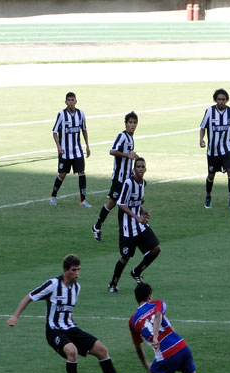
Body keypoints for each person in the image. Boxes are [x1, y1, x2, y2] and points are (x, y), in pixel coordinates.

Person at [7, 254, 138, 373]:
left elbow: (67, 310)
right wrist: (15, 316)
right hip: (54, 331)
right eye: (74, 270)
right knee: (72, 351)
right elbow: (29, 297)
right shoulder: (53, 284)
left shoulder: (77, 287)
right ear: (65, 270)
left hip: (71, 328)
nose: (77, 274)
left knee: (102, 350)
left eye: (79, 270)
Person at [129, 283, 214, 373]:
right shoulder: (158, 303)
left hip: (166, 353)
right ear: (150, 295)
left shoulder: (132, 321)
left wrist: (146, 362)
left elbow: (138, 345)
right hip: (182, 346)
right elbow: (157, 315)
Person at [108, 157, 161, 293]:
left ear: (146, 169)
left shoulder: (143, 184)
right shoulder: (128, 183)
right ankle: (113, 283)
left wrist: (143, 212)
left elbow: (137, 202)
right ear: (134, 169)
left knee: (156, 249)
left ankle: (137, 271)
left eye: (143, 167)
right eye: (138, 166)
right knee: (125, 257)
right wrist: (137, 217)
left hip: (140, 225)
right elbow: (121, 203)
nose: (140, 169)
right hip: (128, 227)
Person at [91, 111, 139, 242]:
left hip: (127, 178)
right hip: (119, 178)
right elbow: (112, 151)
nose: (132, 125)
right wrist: (127, 155)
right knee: (113, 204)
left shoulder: (130, 137)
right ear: (125, 124)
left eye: (134, 123)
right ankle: (97, 227)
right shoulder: (122, 136)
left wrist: (134, 158)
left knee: (125, 204)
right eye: (130, 123)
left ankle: (125, 230)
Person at [199, 88, 230, 211]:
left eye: (223, 99)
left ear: (226, 100)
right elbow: (202, 127)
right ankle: (208, 197)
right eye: (219, 99)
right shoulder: (210, 111)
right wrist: (201, 139)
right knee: (211, 175)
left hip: (226, 148)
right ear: (215, 100)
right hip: (213, 151)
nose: (221, 101)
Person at [49, 92, 91, 207]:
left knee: (81, 172)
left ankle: (83, 200)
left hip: (77, 150)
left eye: (72, 100)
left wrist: (87, 145)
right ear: (65, 102)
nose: (71, 102)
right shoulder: (62, 114)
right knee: (62, 174)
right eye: (68, 100)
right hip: (65, 151)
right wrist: (58, 146)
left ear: (76, 101)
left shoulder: (81, 114)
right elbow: (54, 132)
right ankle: (53, 196)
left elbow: (84, 130)